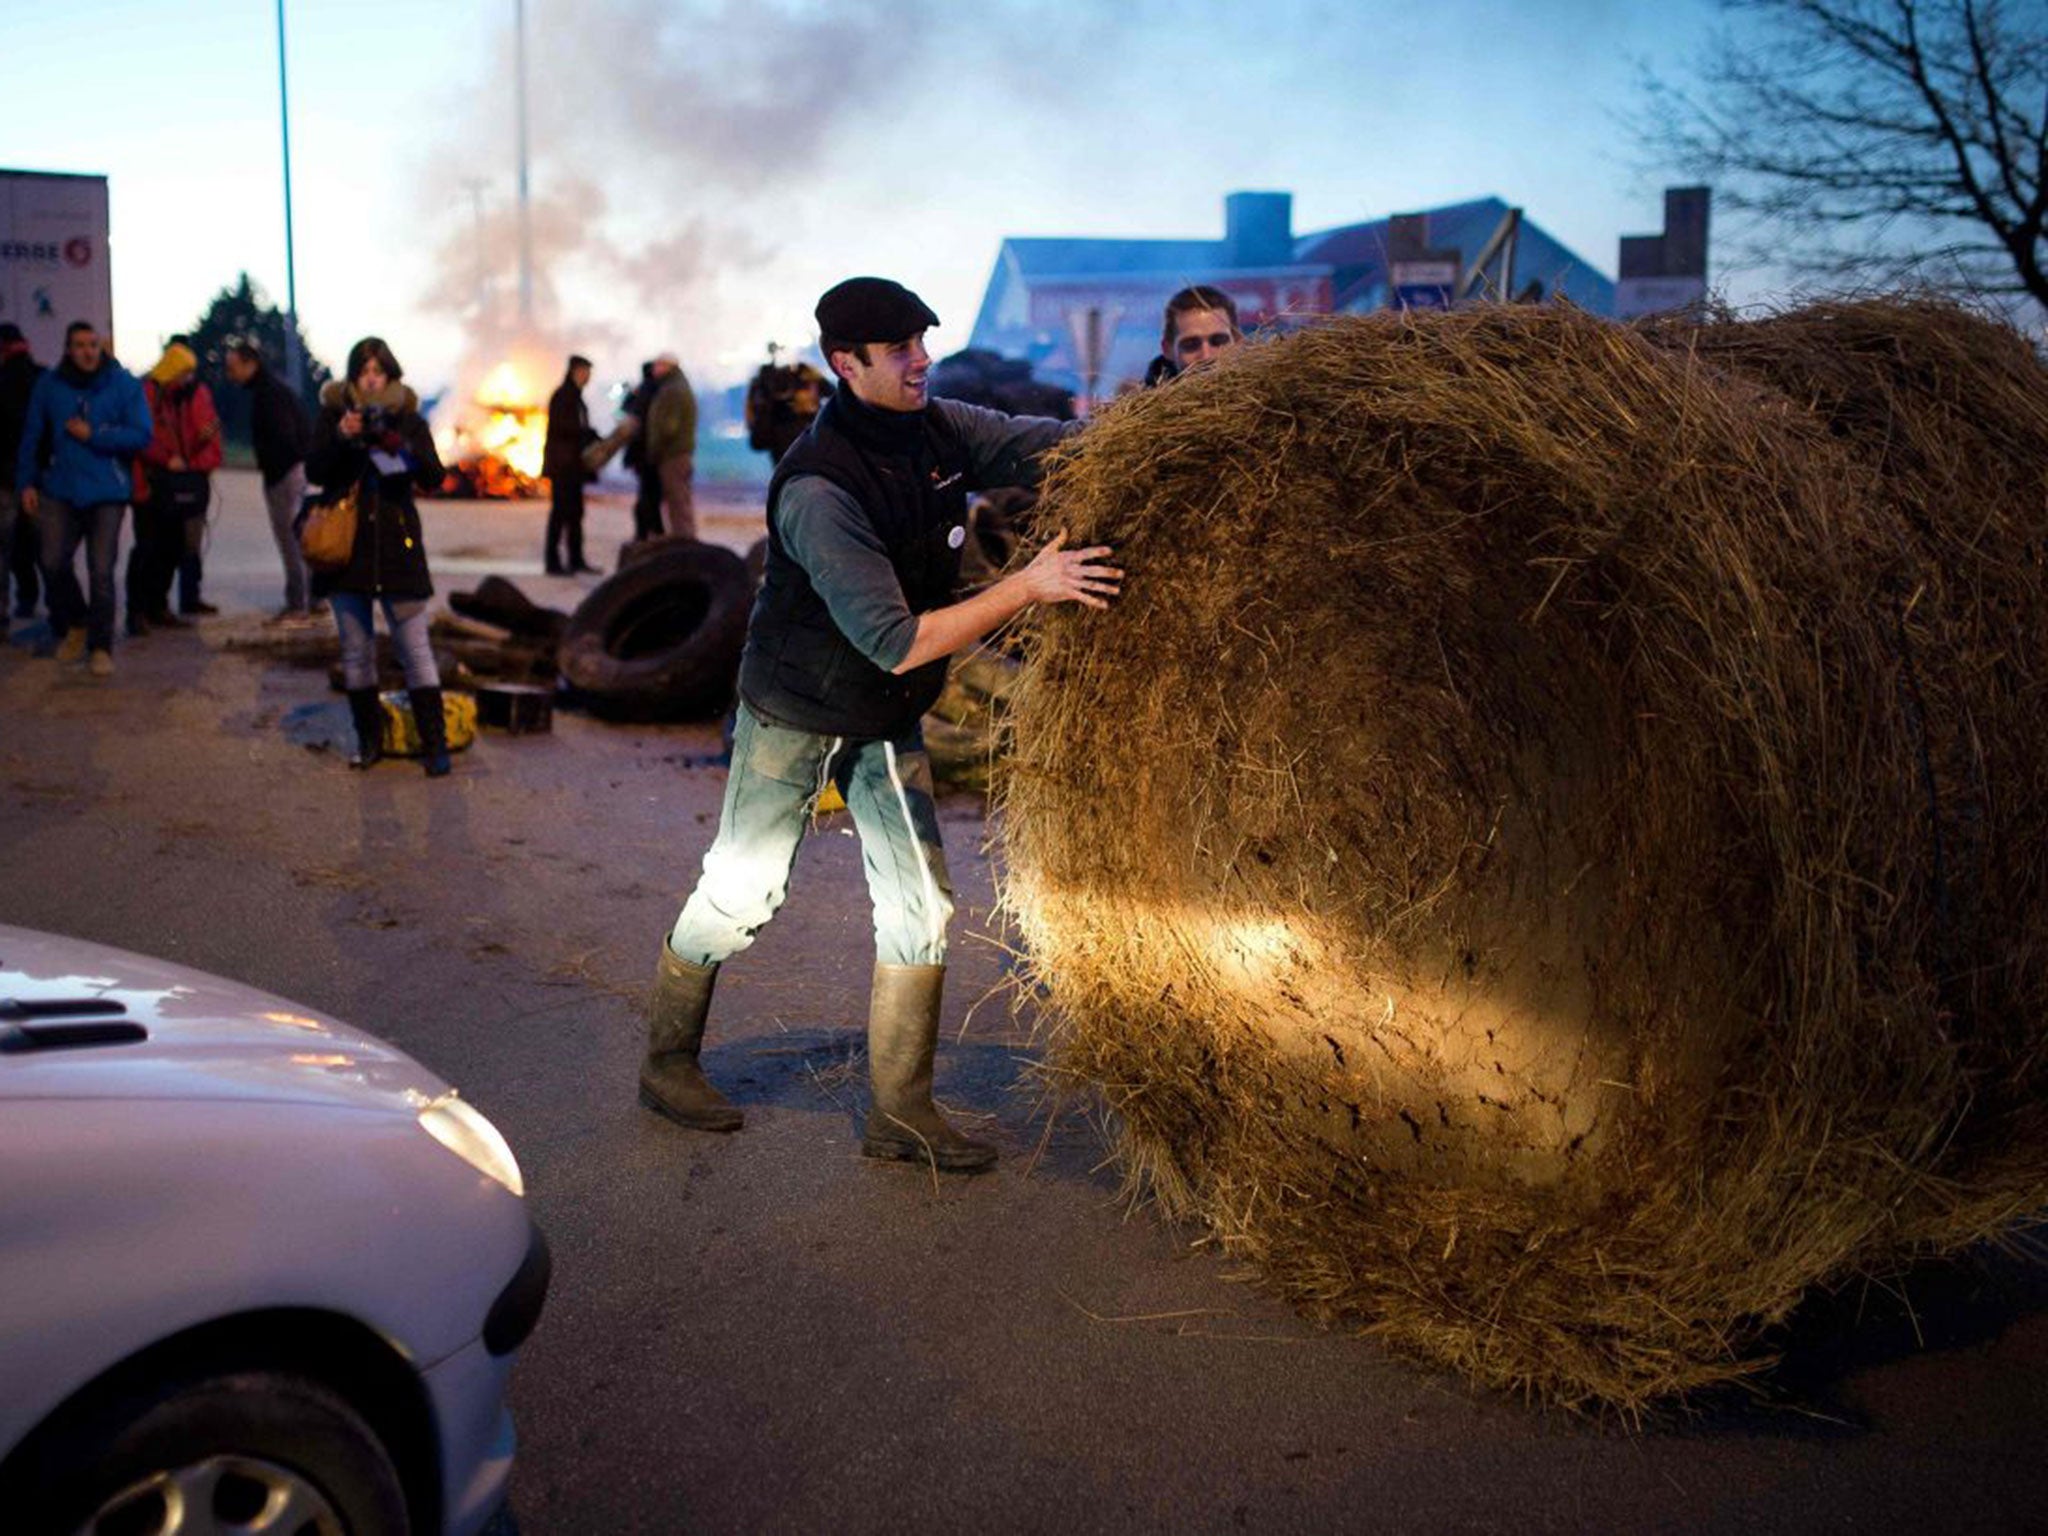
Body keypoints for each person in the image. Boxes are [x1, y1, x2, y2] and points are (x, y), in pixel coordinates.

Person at [640, 276, 1122, 1176]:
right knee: (742, 898)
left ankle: (900, 1110)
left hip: (883, 719)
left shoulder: (935, 428)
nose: (921, 361)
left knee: (924, 905)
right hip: (796, 712)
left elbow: (1042, 445)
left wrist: (1150, 431)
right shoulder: (819, 490)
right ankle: (668, 1057)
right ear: (844, 364)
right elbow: (896, 642)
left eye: (921, 343)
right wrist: (1028, 585)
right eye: (899, 350)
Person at [304, 336, 454, 777]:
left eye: (378, 371)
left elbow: (434, 475)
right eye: (363, 371)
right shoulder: (335, 413)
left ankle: (435, 745)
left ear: (390, 375)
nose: (370, 380)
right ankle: (368, 742)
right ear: (352, 377)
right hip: (347, 550)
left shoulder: (407, 417)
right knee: (356, 650)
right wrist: (340, 437)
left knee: (415, 648)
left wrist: (399, 448)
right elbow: (314, 470)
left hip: (397, 546)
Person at [14, 320, 151, 676]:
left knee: (101, 571)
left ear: (101, 348)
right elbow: (32, 435)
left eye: (93, 344)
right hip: (60, 489)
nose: (88, 351)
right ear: (68, 349)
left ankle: (101, 646)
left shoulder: (123, 384)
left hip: (108, 491)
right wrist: (26, 483)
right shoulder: (50, 385)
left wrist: (96, 434)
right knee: (52, 561)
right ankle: (76, 623)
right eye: (80, 345)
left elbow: (141, 434)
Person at [127, 341, 222, 636]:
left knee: (170, 546)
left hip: (168, 485)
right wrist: (168, 459)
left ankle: (158, 605)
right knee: (147, 548)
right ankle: (138, 610)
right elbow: (143, 436)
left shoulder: (170, 396)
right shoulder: (147, 394)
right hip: (148, 485)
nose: (188, 379)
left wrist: (197, 447)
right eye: (184, 372)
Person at [223, 338, 316, 624]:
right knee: (298, 539)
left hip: (285, 475)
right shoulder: (272, 389)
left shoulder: (269, 394)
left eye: (233, 367)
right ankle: (313, 598)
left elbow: (285, 437)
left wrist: (276, 469)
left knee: (291, 540)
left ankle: (299, 603)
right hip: (289, 471)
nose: (230, 374)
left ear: (251, 364)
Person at [0, 323, 43, 632]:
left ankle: (7, 612)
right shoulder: (44, 377)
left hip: (5, 477)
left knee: (7, 549)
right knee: (47, 548)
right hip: (41, 477)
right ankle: (59, 613)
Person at [542, 353, 599, 574]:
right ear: (576, 371)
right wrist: (587, 434)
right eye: (586, 372)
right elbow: (563, 429)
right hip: (563, 466)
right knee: (560, 514)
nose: (588, 377)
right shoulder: (563, 396)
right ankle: (553, 562)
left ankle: (576, 559)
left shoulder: (576, 397)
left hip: (574, 467)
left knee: (575, 514)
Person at [743, 344, 831, 466]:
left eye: (802, 385)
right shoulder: (774, 413)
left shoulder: (821, 421)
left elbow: (835, 396)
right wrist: (766, 401)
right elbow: (758, 441)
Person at [643, 351, 697, 539]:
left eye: (658, 365)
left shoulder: (672, 390)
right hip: (678, 454)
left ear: (668, 367)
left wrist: (654, 449)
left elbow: (667, 428)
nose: (654, 369)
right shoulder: (676, 387)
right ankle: (684, 540)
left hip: (672, 455)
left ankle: (685, 543)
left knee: (677, 502)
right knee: (680, 501)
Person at [1144, 284, 1242, 386]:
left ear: (1238, 342)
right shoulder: (1142, 400)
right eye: (1191, 345)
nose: (1206, 357)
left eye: (1218, 341)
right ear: (1168, 350)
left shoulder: (1259, 397)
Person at [621, 361, 663, 543]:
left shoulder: (642, 391)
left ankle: (645, 531)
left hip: (640, 452)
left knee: (647, 494)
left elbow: (626, 407)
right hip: (646, 453)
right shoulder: (652, 391)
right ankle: (649, 532)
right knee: (650, 495)